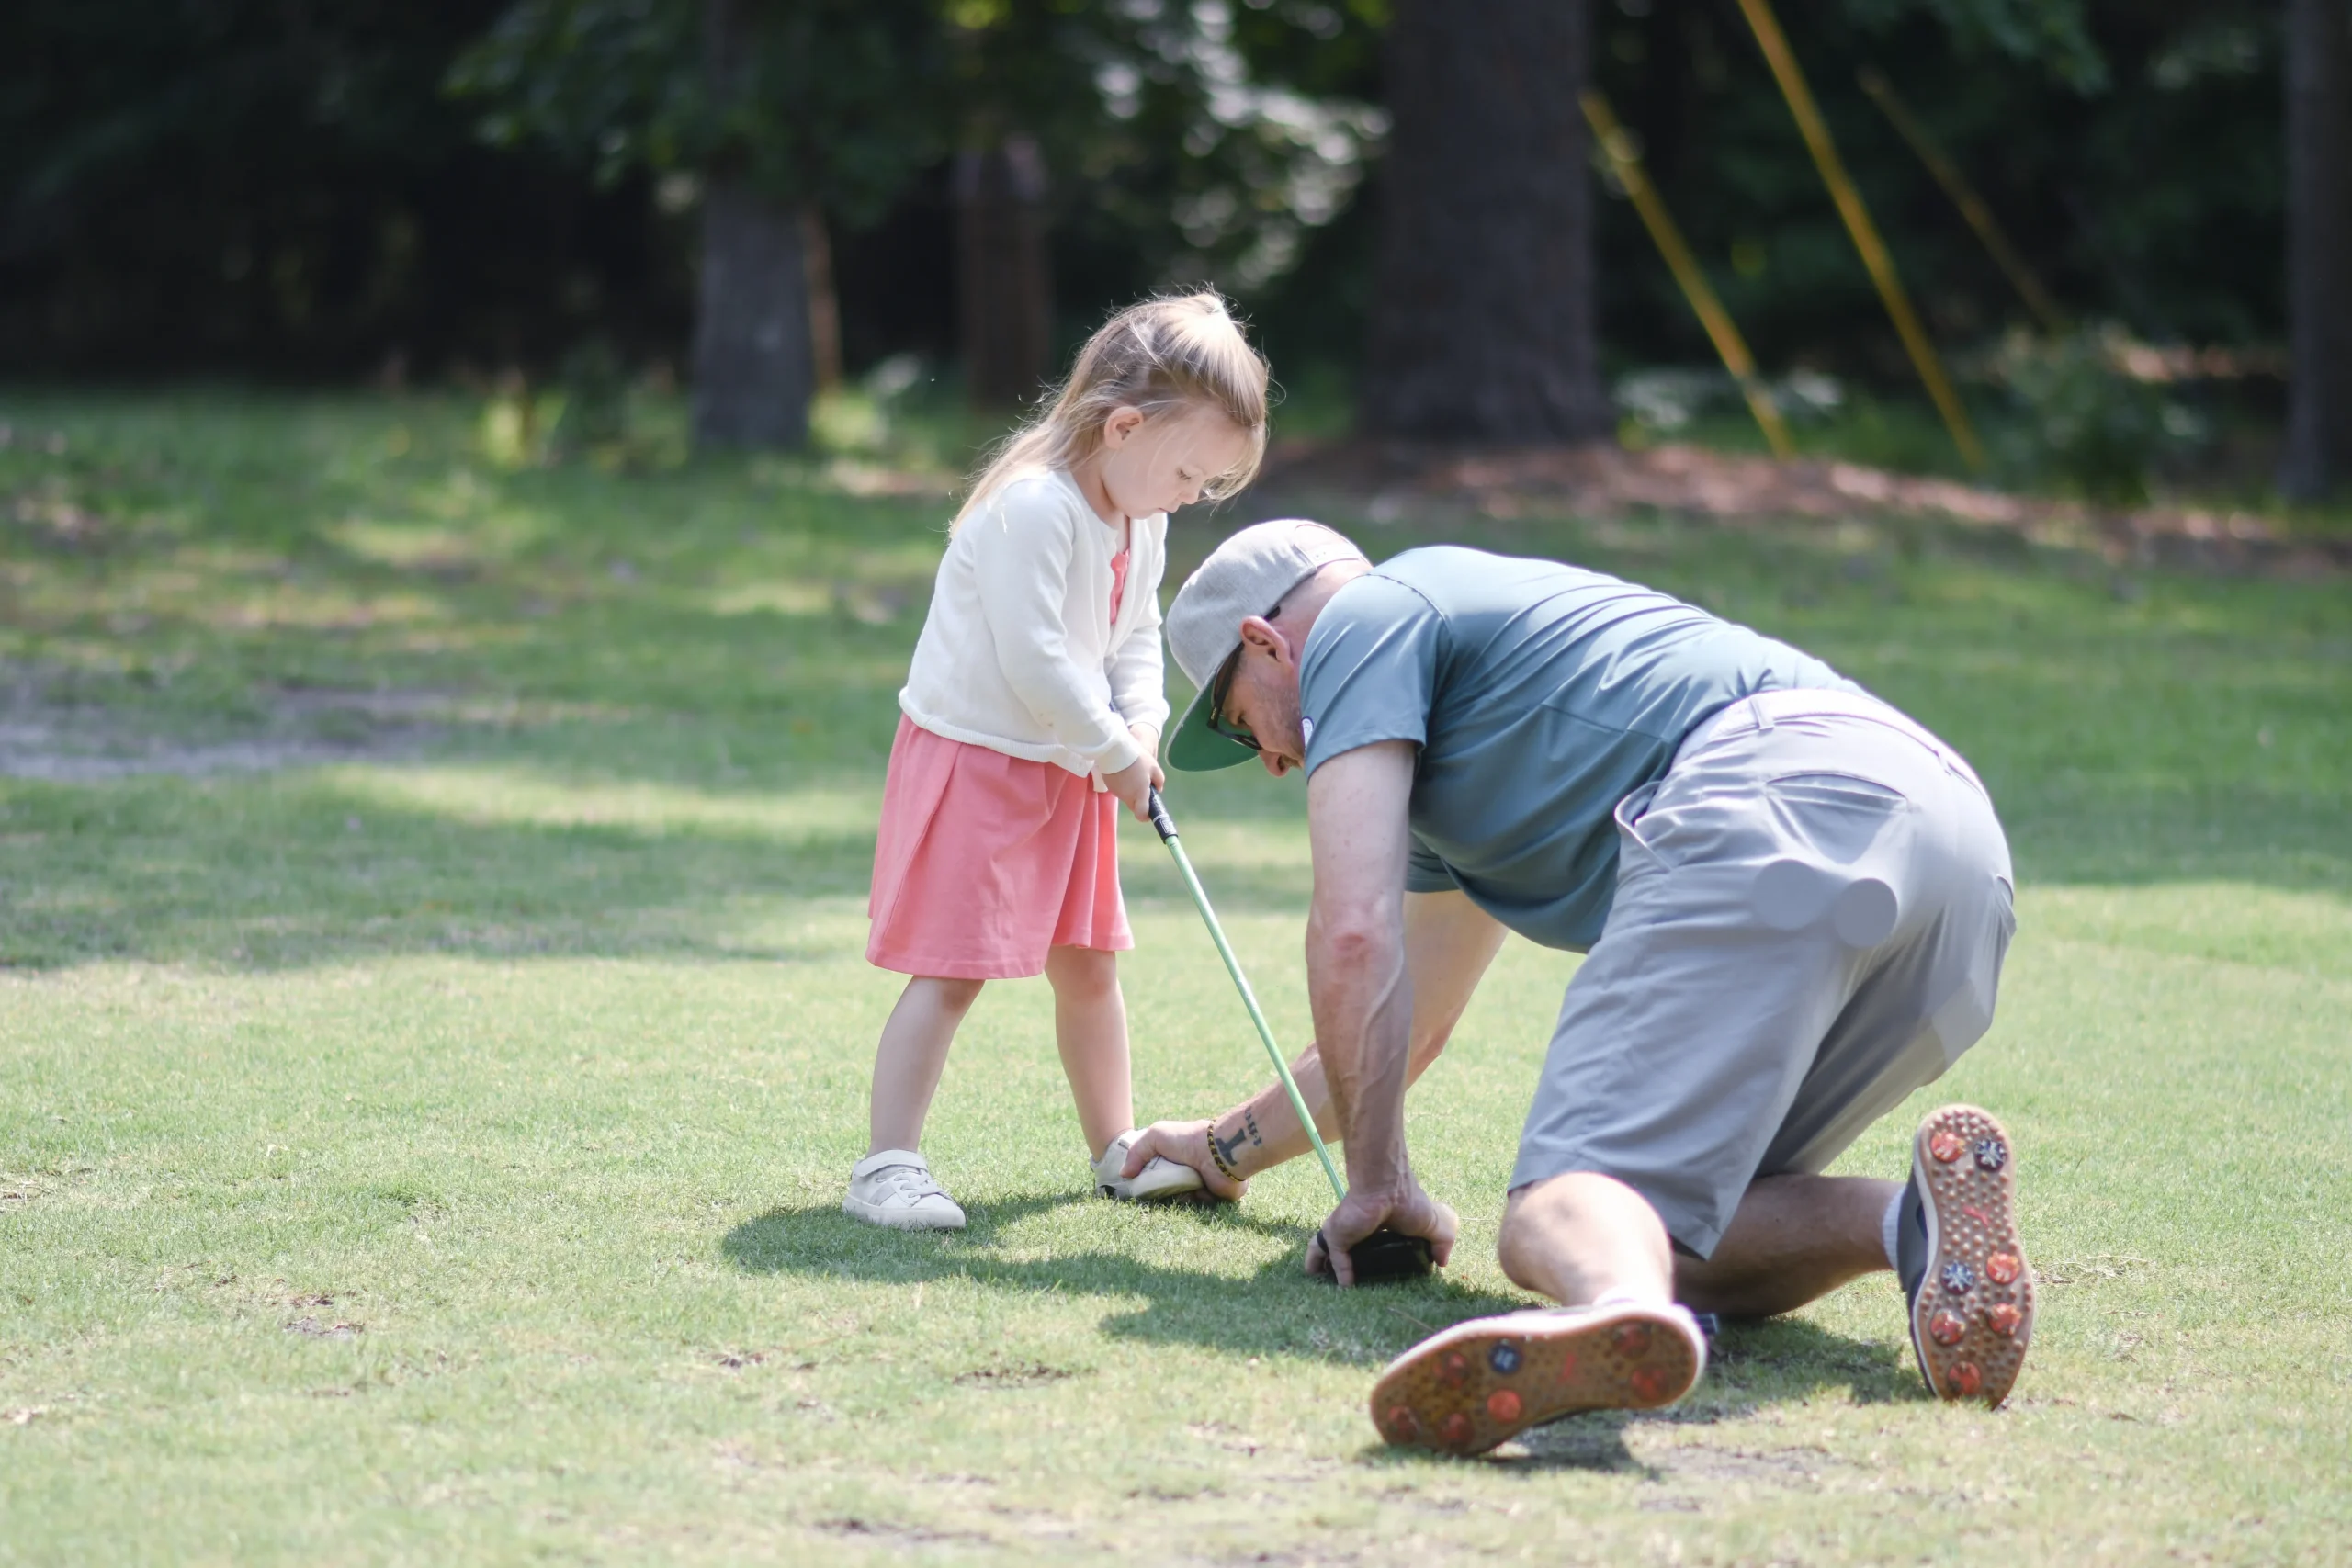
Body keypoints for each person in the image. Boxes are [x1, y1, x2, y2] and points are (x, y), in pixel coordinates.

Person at [1122, 520, 2031, 1453]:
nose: (1272, 762)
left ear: (1266, 645)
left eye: (1244, 724)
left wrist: (1374, 1183)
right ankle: (1914, 1226)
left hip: (1773, 795)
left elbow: (1351, 935)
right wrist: (1220, 1152)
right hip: (1958, 861)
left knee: (1554, 1213)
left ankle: (1615, 1317)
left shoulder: (1367, 618)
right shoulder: (1447, 736)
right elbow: (1412, 1008)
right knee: (1653, 1228)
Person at [844, 293, 1271, 1231]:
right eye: (1190, 472)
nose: (1191, 497)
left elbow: (1132, 633)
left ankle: (1115, 1150)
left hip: (1070, 761)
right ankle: (886, 1166)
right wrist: (1111, 747)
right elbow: (1032, 658)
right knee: (951, 970)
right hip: (982, 761)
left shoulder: (1138, 513)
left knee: (1087, 967)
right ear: (1123, 426)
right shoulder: (1034, 508)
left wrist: (1143, 727)